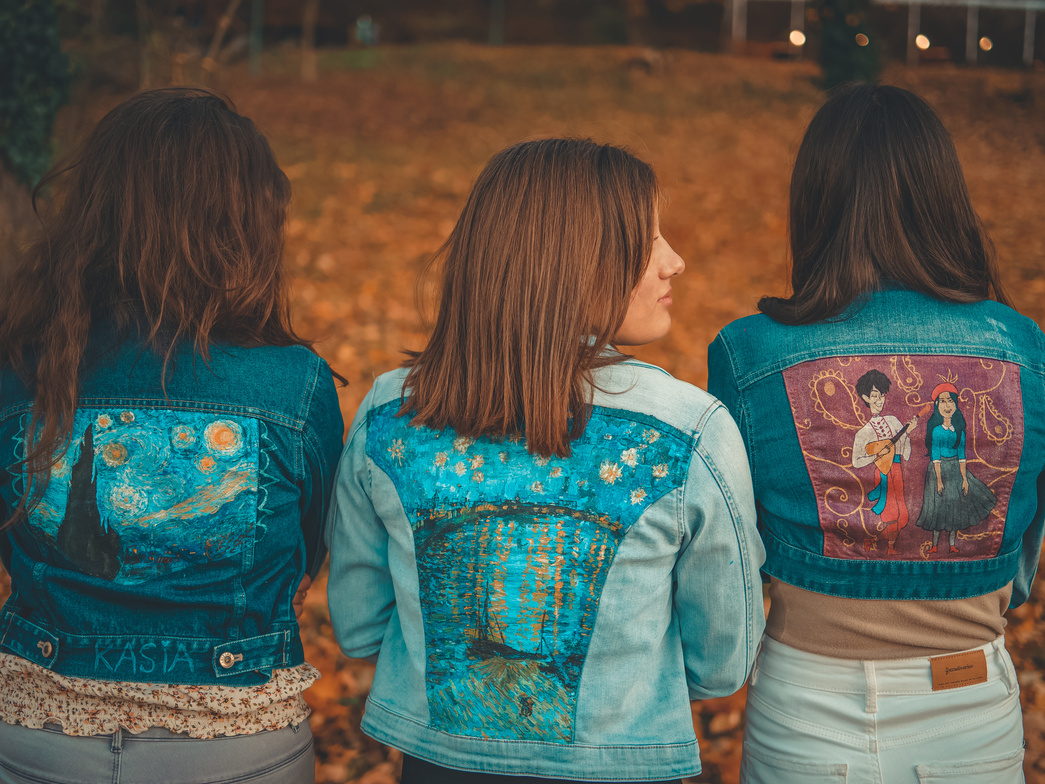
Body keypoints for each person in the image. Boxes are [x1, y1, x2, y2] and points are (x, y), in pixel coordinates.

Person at [326, 138, 764, 783]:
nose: (675, 260)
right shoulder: (686, 431)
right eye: (647, 240)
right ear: (575, 262)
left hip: (440, 765)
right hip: (624, 764)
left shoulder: (391, 414)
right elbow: (722, 665)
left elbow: (360, 628)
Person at [0, 88, 344, 784]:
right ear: (247, 223)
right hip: (234, 749)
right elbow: (310, 552)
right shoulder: (293, 384)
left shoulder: (17, 364)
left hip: (36, 736)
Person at [707, 83, 1045, 784]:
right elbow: (1024, 545)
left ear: (815, 203)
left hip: (804, 703)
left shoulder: (749, 355)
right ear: (941, 198)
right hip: (967, 702)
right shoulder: (1023, 348)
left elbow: (732, 545)